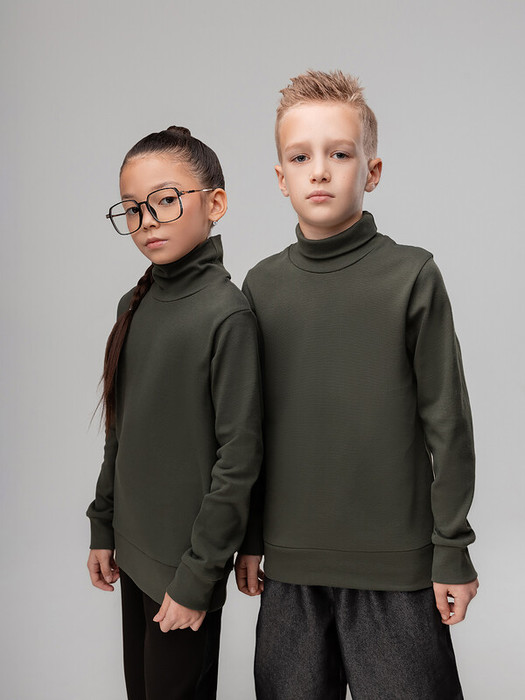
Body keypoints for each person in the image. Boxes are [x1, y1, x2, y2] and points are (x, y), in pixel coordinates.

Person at [235, 70, 478, 700]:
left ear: (371, 171)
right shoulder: (260, 287)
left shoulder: (412, 276)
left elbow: (448, 423)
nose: (319, 171)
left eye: (339, 154)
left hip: (396, 568)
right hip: (291, 568)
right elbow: (249, 428)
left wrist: (451, 547)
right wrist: (251, 538)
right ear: (280, 177)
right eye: (300, 157)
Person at [86, 126, 262, 700]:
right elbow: (121, 430)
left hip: (184, 570)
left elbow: (239, 460)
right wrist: (103, 524)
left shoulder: (227, 316)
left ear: (215, 204)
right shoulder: (133, 305)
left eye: (165, 200)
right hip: (134, 551)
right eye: (133, 208)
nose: (147, 221)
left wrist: (198, 576)